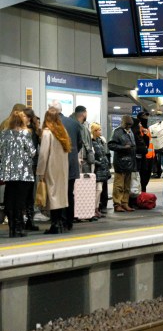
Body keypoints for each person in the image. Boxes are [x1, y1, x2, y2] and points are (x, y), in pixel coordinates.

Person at [0, 110, 36, 237]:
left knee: (9, 199)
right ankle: (19, 228)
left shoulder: (4, 134)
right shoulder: (25, 133)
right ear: (22, 121)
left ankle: (11, 227)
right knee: (20, 201)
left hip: (8, 173)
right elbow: (32, 151)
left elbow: (1, 151)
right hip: (23, 172)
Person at [36, 107, 71, 235]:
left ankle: (54, 225)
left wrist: (40, 171)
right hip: (62, 168)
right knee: (60, 196)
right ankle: (60, 223)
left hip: (50, 167)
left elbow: (43, 154)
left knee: (52, 196)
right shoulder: (63, 132)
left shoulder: (47, 132)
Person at [54, 101, 83, 231]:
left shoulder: (52, 124)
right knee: (69, 193)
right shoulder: (74, 123)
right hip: (71, 163)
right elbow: (79, 143)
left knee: (57, 193)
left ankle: (58, 221)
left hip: (57, 164)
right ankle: (69, 222)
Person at [108, 115, 137, 213]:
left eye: (130, 125)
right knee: (119, 185)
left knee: (127, 185)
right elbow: (111, 145)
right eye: (127, 125)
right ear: (124, 123)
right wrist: (124, 147)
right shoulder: (117, 132)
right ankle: (117, 204)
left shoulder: (130, 132)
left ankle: (125, 203)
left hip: (130, 162)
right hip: (120, 163)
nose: (129, 126)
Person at [23, 108, 41, 231]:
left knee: (26, 194)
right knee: (29, 194)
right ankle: (29, 220)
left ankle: (26, 220)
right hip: (32, 165)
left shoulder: (28, 131)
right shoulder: (35, 131)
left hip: (27, 165)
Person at [91, 123, 111, 219]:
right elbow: (90, 156)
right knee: (97, 190)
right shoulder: (91, 142)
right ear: (94, 131)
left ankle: (96, 209)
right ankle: (93, 209)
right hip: (97, 169)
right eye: (99, 130)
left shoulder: (100, 141)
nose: (100, 132)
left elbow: (104, 154)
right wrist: (98, 162)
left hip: (102, 169)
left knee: (99, 189)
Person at [132, 111, 154, 193]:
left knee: (147, 177)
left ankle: (143, 193)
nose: (146, 119)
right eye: (144, 117)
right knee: (142, 177)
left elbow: (150, 143)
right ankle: (141, 193)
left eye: (146, 118)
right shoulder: (137, 129)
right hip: (143, 157)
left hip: (150, 156)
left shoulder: (147, 128)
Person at [73, 106, 94, 174]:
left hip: (85, 159)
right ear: (84, 114)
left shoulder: (84, 127)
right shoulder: (76, 126)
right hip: (80, 159)